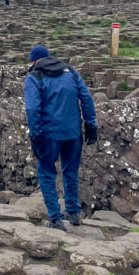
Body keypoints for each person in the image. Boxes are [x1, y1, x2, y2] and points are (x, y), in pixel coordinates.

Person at [25, 46, 97, 231]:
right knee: (71, 171)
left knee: (47, 173)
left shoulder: (34, 77)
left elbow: (33, 109)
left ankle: (56, 218)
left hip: (49, 134)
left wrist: (35, 135)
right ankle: (73, 212)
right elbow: (86, 98)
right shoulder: (70, 71)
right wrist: (90, 124)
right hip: (73, 132)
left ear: (34, 61)